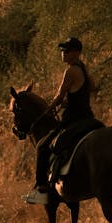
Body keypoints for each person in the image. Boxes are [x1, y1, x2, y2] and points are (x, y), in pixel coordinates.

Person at [23, 37, 96, 204]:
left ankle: (41, 191)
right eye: (63, 50)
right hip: (88, 117)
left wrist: (48, 110)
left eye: (67, 50)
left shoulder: (70, 71)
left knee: (42, 146)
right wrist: (71, 99)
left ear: (76, 53)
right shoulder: (83, 69)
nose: (63, 53)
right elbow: (91, 87)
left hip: (73, 119)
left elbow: (59, 95)